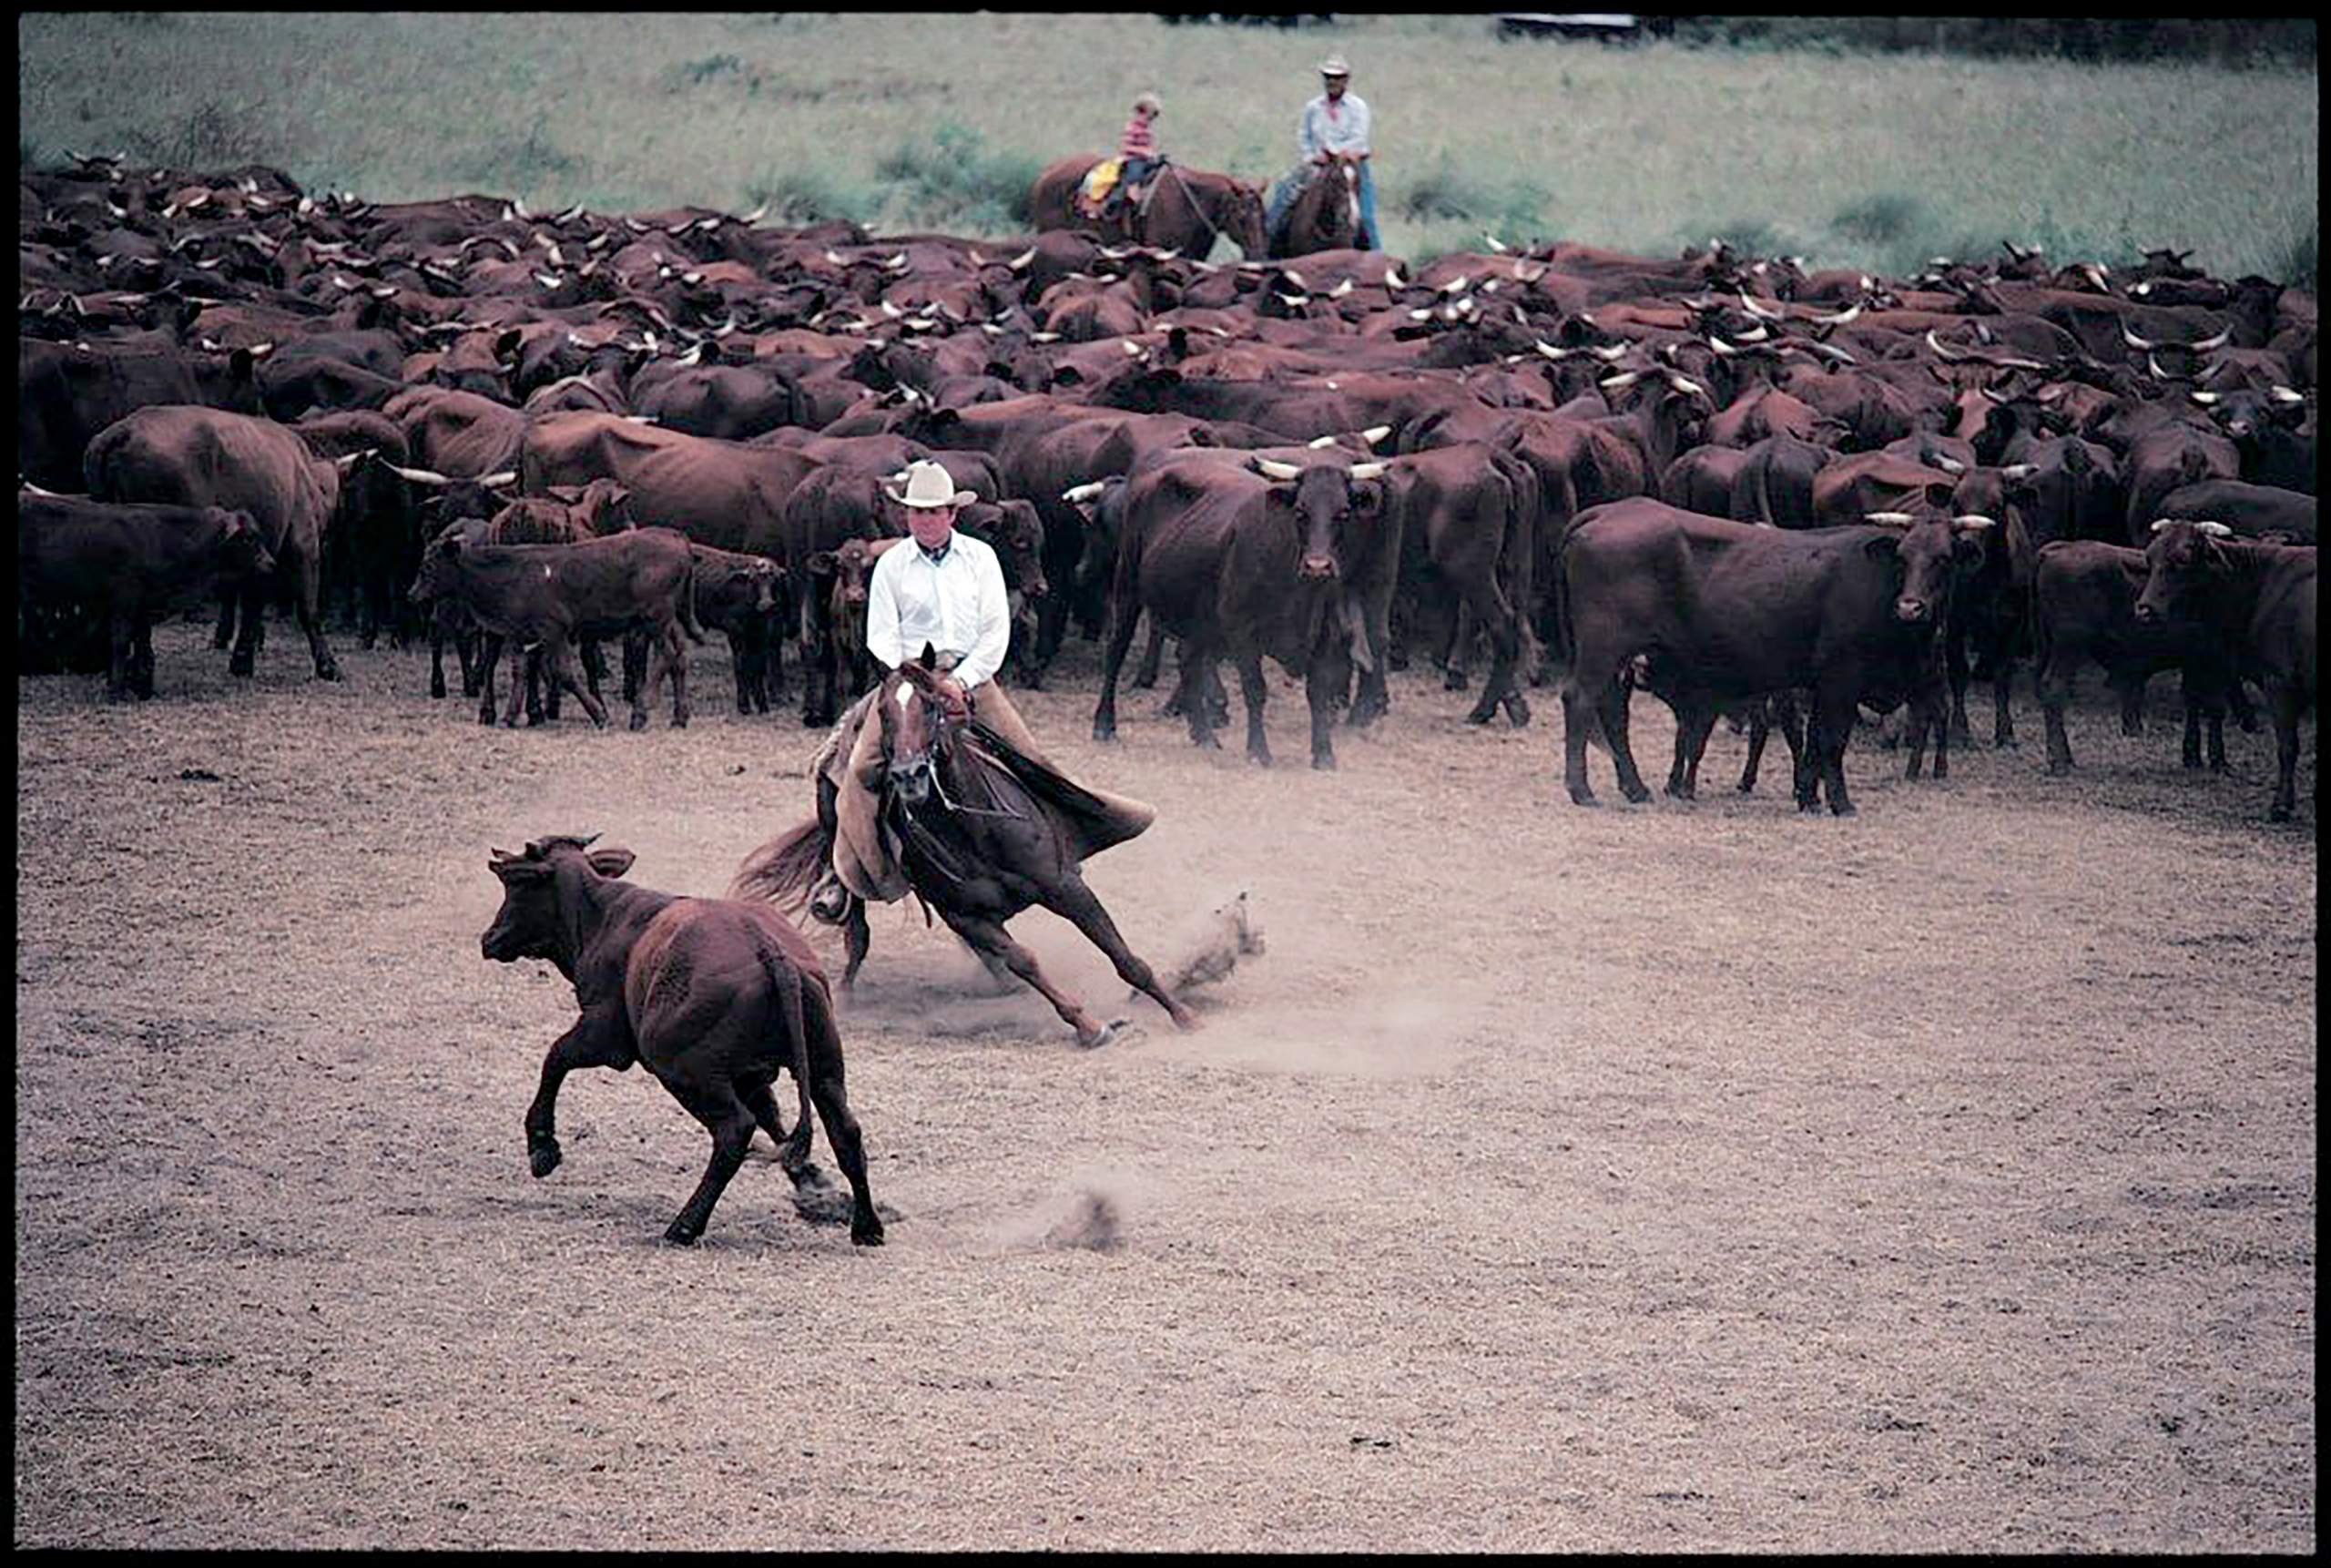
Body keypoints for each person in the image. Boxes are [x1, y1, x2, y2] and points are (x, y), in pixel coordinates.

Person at [811, 460, 1155, 910]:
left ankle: (1067, 847)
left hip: (972, 678)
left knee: (1032, 760)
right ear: (906, 516)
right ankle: (858, 878)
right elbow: (881, 634)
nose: (925, 520)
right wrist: (915, 677)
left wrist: (962, 680)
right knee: (858, 770)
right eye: (917, 512)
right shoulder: (892, 564)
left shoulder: (981, 558)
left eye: (934, 511)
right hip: (910, 681)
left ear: (952, 514)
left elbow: (996, 632)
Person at [1265, 55, 1377, 251]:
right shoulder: (1313, 107)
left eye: (1337, 77)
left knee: (1364, 215)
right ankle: (1269, 246)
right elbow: (1304, 135)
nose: (1332, 81)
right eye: (1328, 77)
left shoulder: (1358, 107)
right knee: (1284, 194)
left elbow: (1358, 137)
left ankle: (1376, 259)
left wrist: (1337, 153)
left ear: (1346, 80)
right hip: (1318, 164)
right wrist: (1311, 156)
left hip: (1350, 164)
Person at [1104, 92, 1163, 221]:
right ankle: (1125, 192)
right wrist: (1144, 152)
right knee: (1135, 169)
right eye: (1148, 118)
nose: (1149, 122)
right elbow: (1126, 147)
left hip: (1144, 159)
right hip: (1131, 158)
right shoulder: (1131, 128)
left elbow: (1149, 147)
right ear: (1139, 113)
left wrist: (1154, 155)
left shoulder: (1147, 130)